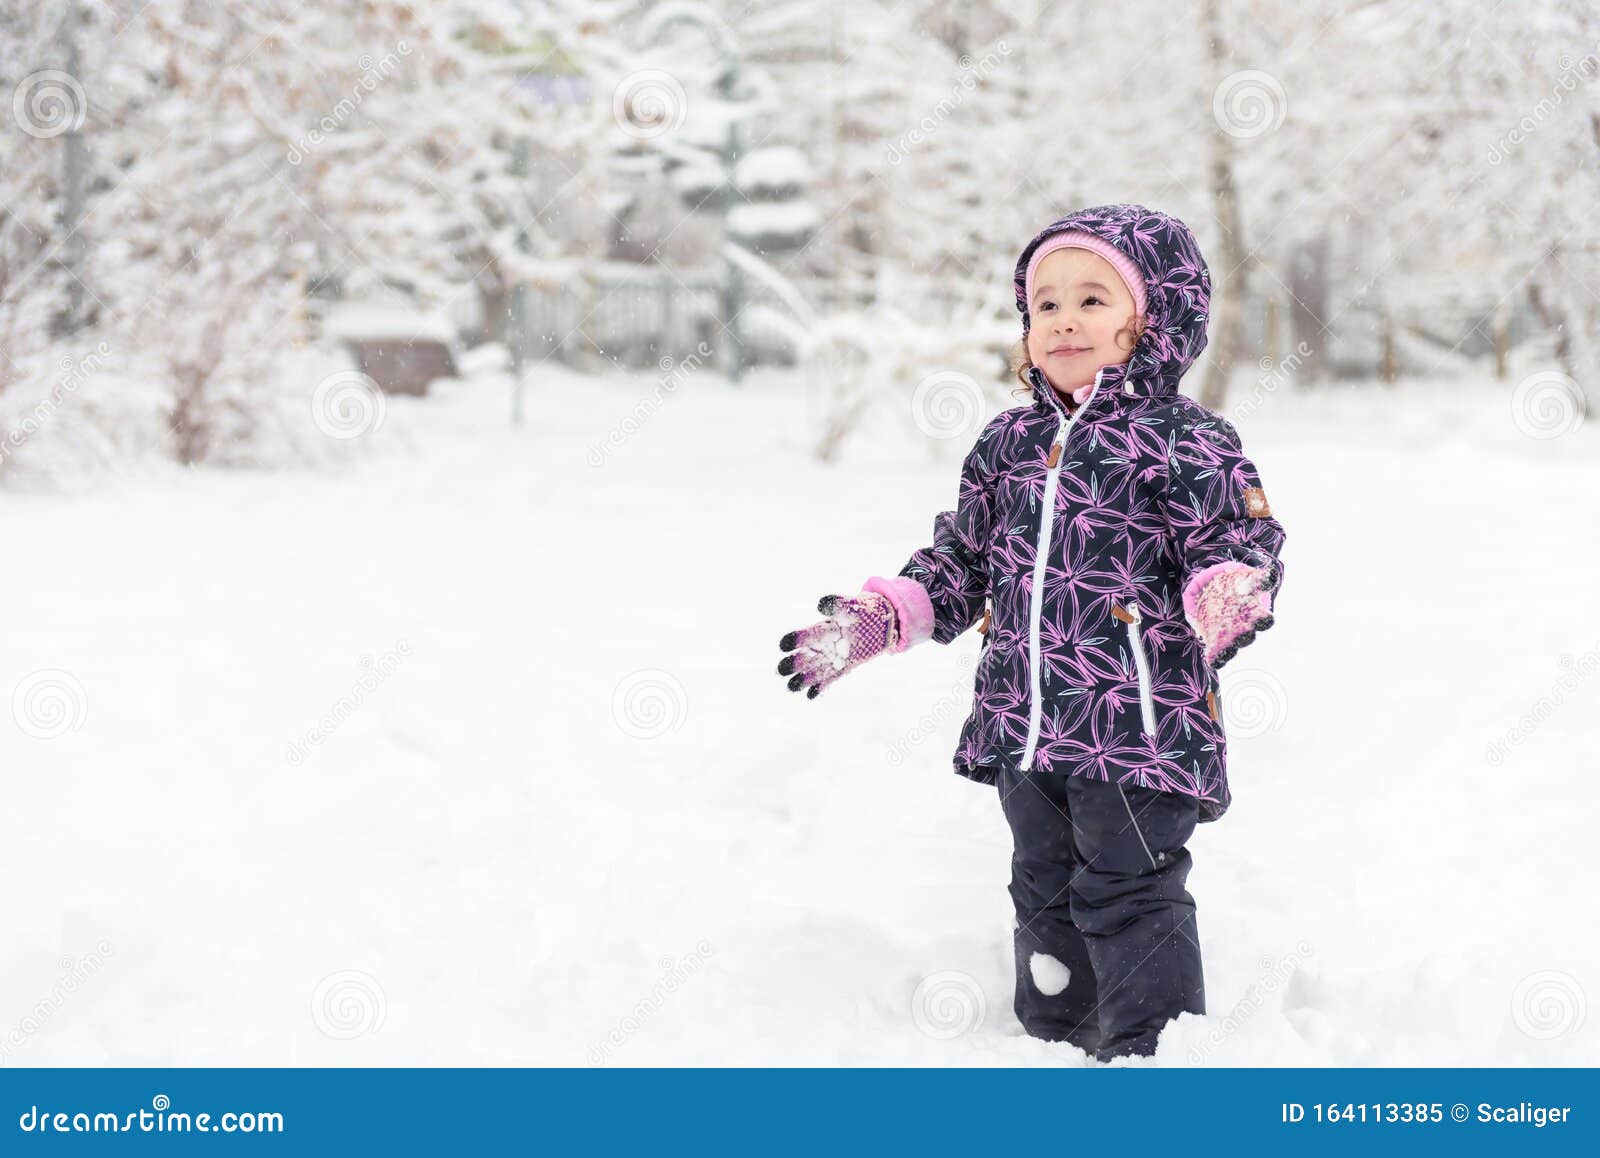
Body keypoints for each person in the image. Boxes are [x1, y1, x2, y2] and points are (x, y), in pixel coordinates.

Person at [776, 203, 1288, 1062]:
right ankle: (1056, 1039)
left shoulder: (1184, 439)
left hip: (1140, 725)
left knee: (1129, 886)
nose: (1063, 319)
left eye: (1093, 299)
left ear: (1152, 320)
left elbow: (1238, 539)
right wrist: (879, 621)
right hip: (1025, 723)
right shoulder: (1009, 443)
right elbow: (963, 558)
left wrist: (1228, 593)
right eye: (1045, 303)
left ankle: (1154, 1053)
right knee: (1043, 886)